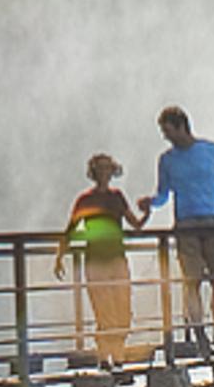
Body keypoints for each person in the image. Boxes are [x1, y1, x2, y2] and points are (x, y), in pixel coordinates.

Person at [140, 105, 214, 354]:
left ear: (181, 126)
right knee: (193, 282)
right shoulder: (167, 160)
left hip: (212, 221)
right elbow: (164, 193)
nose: (166, 137)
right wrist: (151, 203)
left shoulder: (211, 151)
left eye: (168, 131)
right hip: (186, 225)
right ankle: (200, 335)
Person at [53, 155, 147, 368]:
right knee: (103, 310)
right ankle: (108, 359)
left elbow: (135, 224)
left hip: (116, 258)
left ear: (112, 171)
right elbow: (70, 230)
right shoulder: (85, 200)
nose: (104, 173)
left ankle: (117, 356)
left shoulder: (117, 197)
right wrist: (60, 256)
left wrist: (147, 212)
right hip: (95, 260)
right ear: (94, 173)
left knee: (123, 309)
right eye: (100, 169)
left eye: (107, 169)